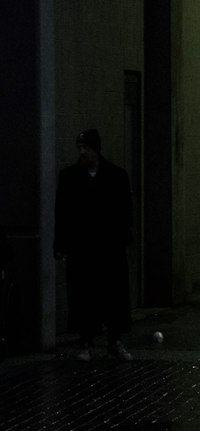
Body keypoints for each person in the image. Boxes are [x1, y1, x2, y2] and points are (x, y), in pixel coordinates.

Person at [53, 129, 133, 361]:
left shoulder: (116, 176)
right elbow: (63, 212)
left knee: (112, 295)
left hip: (108, 246)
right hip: (84, 246)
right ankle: (87, 341)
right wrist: (61, 243)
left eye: (86, 148)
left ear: (95, 149)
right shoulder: (70, 177)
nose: (82, 152)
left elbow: (125, 211)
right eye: (80, 148)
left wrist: (122, 234)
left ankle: (114, 340)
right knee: (84, 294)